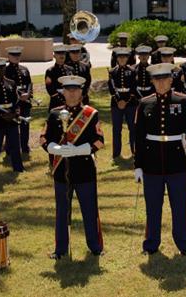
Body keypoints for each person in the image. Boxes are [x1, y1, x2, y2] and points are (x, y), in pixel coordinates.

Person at [133, 63, 186, 255]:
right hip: (151, 162)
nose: (161, 83)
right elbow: (138, 137)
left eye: (164, 79)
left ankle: (184, 245)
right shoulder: (144, 103)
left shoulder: (183, 100)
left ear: (171, 80)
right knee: (153, 207)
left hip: (176, 161)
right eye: (157, 79)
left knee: (179, 206)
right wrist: (138, 166)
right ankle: (151, 245)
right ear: (152, 81)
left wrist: (185, 142)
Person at [41, 75, 105, 259]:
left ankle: (95, 247)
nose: (71, 93)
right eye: (68, 90)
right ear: (63, 92)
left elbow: (99, 141)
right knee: (62, 211)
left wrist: (78, 150)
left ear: (81, 92)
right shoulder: (54, 114)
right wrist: (55, 148)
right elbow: (44, 138)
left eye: (75, 90)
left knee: (89, 210)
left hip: (85, 170)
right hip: (62, 171)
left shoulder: (91, 114)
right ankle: (60, 250)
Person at [4, 46, 33, 157]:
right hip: (14, 103)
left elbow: (29, 83)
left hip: (25, 102)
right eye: (13, 55)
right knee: (12, 126)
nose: (16, 57)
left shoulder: (24, 69)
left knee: (25, 126)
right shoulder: (5, 70)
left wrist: (29, 94)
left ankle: (25, 147)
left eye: (18, 55)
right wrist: (18, 97)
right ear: (9, 56)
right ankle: (10, 149)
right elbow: (5, 87)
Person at [109, 47, 136, 159]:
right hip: (116, 103)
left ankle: (134, 152)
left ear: (127, 58)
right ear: (117, 59)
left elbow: (134, 88)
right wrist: (118, 101)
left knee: (132, 128)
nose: (122, 59)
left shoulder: (133, 71)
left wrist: (126, 101)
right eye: (120, 57)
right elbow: (112, 88)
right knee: (116, 129)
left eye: (124, 57)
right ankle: (116, 154)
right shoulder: (112, 72)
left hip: (130, 103)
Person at [46, 45, 74, 109]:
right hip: (56, 103)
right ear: (54, 56)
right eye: (58, 53)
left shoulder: (70, 69)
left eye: (63, 53)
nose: (61, 55)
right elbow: (50, 90)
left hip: (70, 102)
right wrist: (63, 101)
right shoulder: (50, 71)